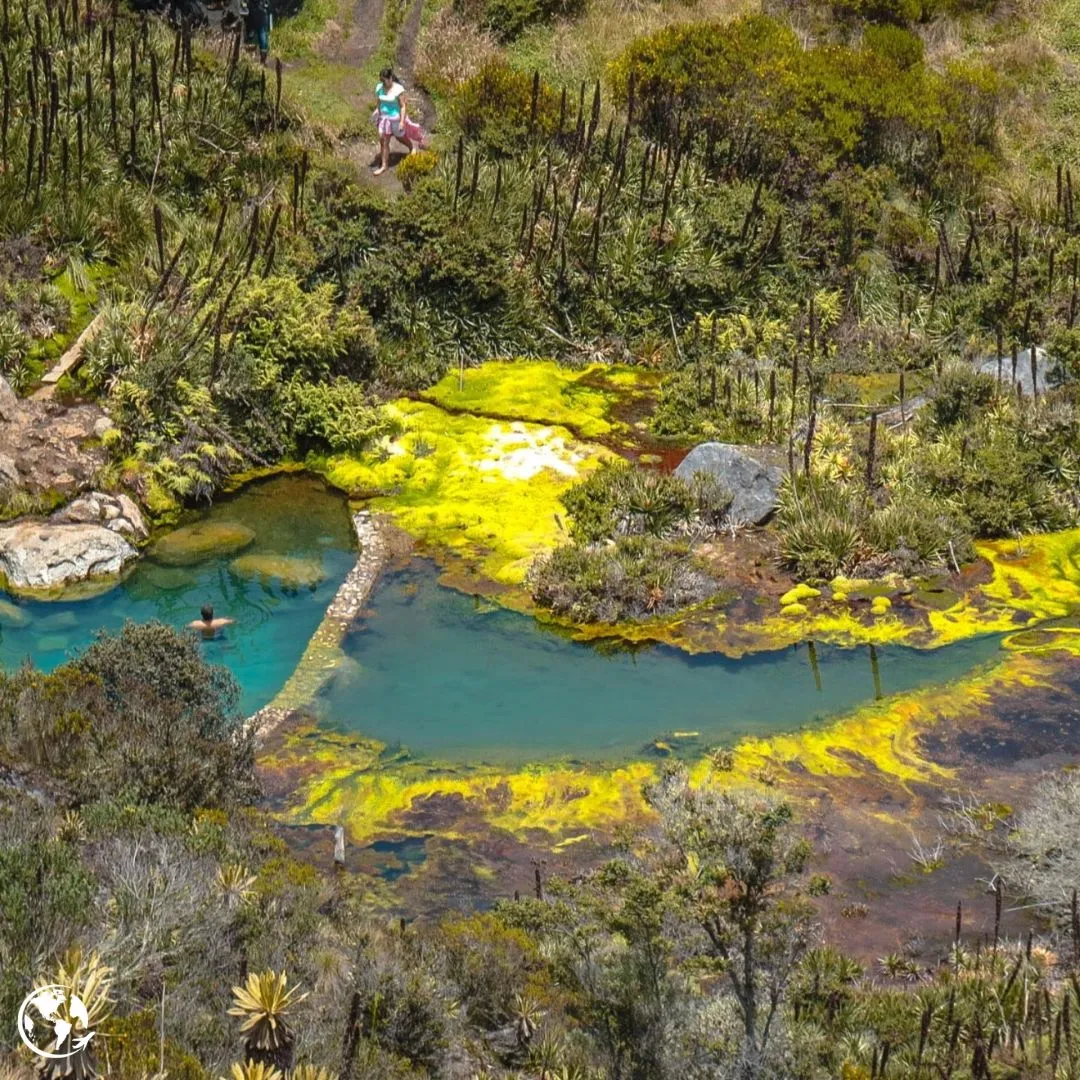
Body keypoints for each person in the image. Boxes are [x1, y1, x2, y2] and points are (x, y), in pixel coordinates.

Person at [372, 67, 417, 176]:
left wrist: (402, 121)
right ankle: (384, 165)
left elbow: (402, 106)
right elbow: (379, 101)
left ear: (390, 78)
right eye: (381, 80)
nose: (382, 83)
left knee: (399, 136)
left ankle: (411, 147)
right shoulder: (379, 88)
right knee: (383, 140)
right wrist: (377, 111)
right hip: (384, 118)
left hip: (395, 118)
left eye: (384, 80)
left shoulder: (398, 90)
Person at [246, 0, 271, 65]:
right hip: (262, 11)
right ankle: (263, 59)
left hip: (252, 11)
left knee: (251, 32)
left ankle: (249, 56)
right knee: (262, 33)